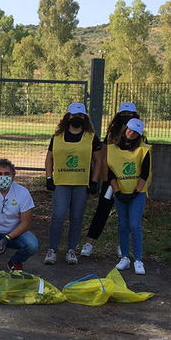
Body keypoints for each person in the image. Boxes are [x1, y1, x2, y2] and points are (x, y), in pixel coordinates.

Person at [43, 102, 102, 265]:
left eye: (80, 116)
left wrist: (94, 181)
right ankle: (52, 249)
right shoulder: (57, 137)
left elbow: (98, 160)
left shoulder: (91, 137)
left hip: (81, 184)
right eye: (74, 116)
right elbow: (49, 158)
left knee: (76, 217)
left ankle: (71, 250)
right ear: (68, 117)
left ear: (85, 118)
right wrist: (49, 177)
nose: (77, 118)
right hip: (61, 183)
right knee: (58, 216)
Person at [80, 102, 140, 258]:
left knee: (125, 215)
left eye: (130, 114)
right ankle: (89, 243)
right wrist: (106, 180)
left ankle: (123, 246)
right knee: (102, 211)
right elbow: (105, 158)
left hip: (129, 181)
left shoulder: (139, 136)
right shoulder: (111, 135)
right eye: (124, 114)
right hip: (111, 181)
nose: (126, 117)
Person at [109, 117, 151, 275]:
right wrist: (117, 191)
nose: (131, 133)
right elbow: (110, 172)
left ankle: (138, 259)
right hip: (120, 193)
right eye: (130, 129)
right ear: (125, 128)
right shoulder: (113, 149)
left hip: (136, 193)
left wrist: (135, 192)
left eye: (135, 132)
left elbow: (145, 173)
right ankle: (125, 257)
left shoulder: (143, 149)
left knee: (135, 225)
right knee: (123, 225)